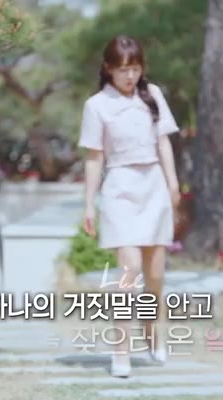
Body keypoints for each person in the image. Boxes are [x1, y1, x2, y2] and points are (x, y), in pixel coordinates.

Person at [78, 34, 181, 378]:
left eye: (135, 68)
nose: (130, 76)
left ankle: (152, 332)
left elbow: (163, 143)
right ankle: (120, 350)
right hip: (120, 188)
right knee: (130, 271)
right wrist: (89, 204)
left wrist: (173, 184)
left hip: (154, 187)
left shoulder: (153, 96)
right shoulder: (96, 106)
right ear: (108, 68)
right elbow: (94, 158)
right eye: (123, 69)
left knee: (155, 276)